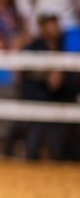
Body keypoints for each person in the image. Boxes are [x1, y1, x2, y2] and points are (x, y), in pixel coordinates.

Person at [18, 14, 78, 160]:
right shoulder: (34, 46)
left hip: (57, 98)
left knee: (57, 148)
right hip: (37, 97)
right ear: (43, 28)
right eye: (51, 25)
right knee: (33, 145)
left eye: (56, 25)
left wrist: (61, 77)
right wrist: (47, 76)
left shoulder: (63, 46)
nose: (55, 29)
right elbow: (25, 70)